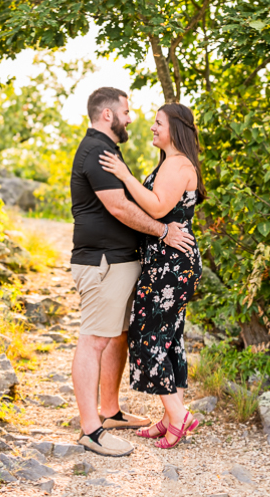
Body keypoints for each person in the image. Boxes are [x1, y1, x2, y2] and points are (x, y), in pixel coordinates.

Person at [68, 87, 195, 457]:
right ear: (108, 115)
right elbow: (120, 208)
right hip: (104, 262)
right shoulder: (96, 152)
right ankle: (91, 430)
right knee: (94, 339)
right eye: (127, 111)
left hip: (126, 261)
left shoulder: (111, 152)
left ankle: (110, 412)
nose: (132, 118)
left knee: (121, 336)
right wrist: (162, 232)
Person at [100, 102, 205, 449]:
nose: (152, 128)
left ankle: (179, 417)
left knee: (147, 335)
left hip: (170, 266)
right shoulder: (170, 163)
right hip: (166, 262)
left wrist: (124, 173)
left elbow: (158, 206)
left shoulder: (178, 164)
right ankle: (169, 416)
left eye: (158, 123)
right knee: (166, 336)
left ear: (175, 127)